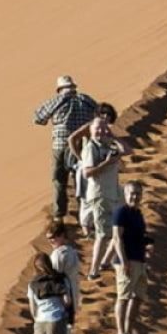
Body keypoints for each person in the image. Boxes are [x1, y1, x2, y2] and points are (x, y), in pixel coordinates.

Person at [68, 105, 125, 277]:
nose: (105, 118)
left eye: (108, 116)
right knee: (87, 205)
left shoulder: (106, 138)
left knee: (116, 229)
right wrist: (80, 158)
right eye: (102, 115)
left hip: (110, 190)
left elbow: (126, 151)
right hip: (94, 180)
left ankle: (104, 261)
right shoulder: (91, 132)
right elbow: (72, 139)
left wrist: (112, 137)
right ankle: (94, 265)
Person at [32, 75, 99, 219]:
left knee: (59, 180)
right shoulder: (87, 100)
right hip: (82, 145)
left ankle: (59, 215)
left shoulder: (57, 101)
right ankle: (85, 213)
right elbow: (101, 115)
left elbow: (38, 118)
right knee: (81, 180)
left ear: (59, 89)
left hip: (60, 145)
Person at [99, 179, 150, 334]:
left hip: (140, 261)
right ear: (125, 194)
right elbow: (117, 238)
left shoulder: (138, 214)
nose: (135, 197)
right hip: (126, 261)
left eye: (138, 194)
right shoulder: (121, 212)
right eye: (132, 193)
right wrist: (124, 262)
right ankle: (121, 333)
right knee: (124, 297)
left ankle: (128, 331)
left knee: (137, 297)